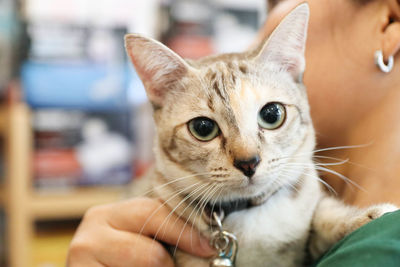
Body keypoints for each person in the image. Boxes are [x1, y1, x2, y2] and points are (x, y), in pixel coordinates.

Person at [67, 0, 400, 266]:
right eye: (204, 127)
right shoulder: (150, 212)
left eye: (271, 115)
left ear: (389, 23)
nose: (246, 157)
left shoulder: (385, 245)